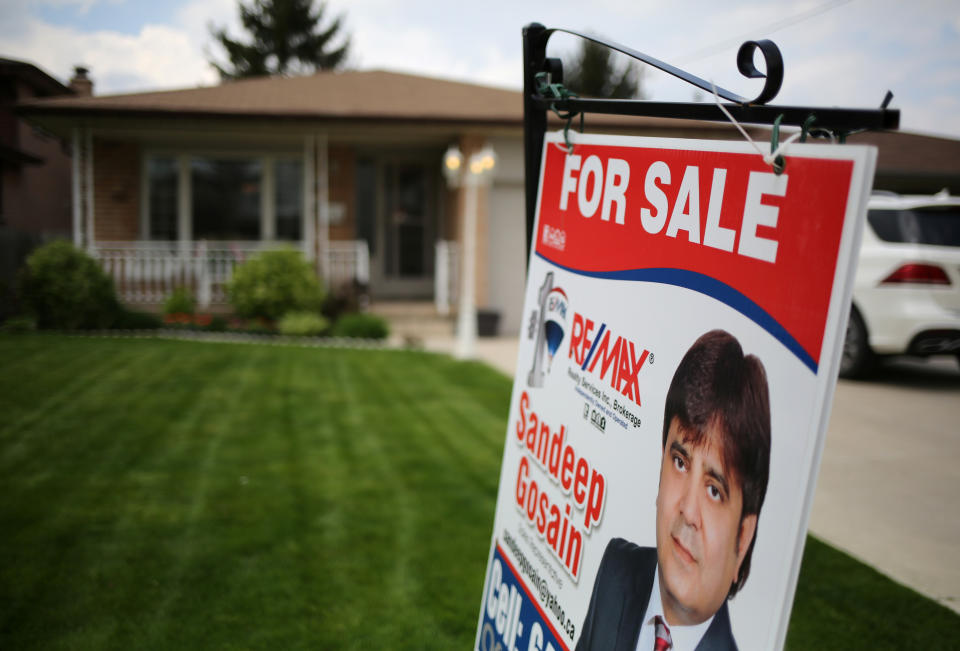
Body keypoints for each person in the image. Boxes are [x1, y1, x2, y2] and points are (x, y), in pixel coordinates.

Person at [575, 330, 771, 651]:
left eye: (714, 490)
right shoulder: (616, 570)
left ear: (743, 537)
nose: (688, 511)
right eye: (680, 462)